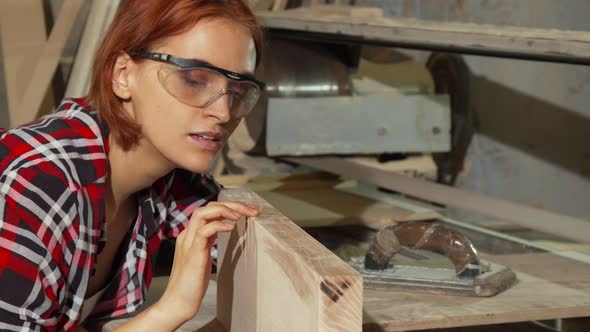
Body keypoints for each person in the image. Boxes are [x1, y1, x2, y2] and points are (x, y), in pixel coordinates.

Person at [0, 0, 264, 330]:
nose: (223, 113)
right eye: (194, 81)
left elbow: (248, 243)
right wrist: (171, 309)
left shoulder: (169, 176)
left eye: (239, 89)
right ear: (123, 75)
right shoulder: (38, 188)